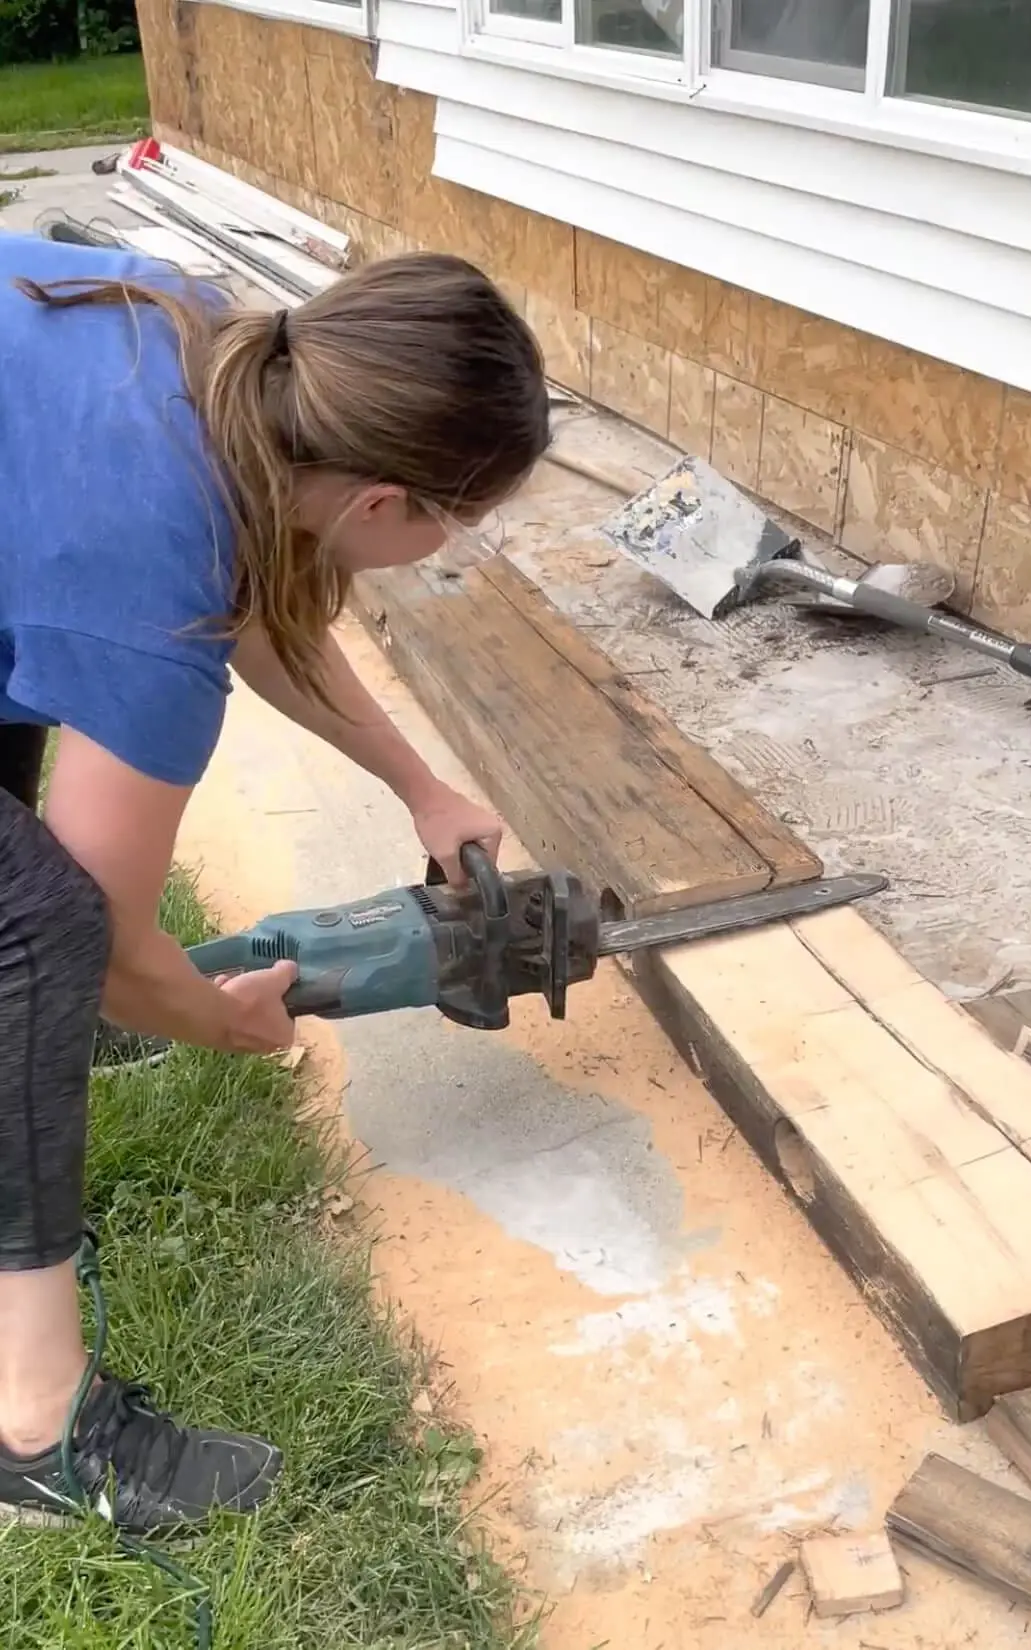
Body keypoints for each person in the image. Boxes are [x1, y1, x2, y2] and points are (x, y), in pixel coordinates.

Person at [0, 231, 549, 1532]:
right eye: (457, 524)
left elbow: (259, 608)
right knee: (39, 929)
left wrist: (424, 785)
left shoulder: (220, 351)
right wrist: (217, 1012)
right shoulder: (145, 567)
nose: (449, 545)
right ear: (382, 508)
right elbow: (120, 939)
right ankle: (35, 1425)